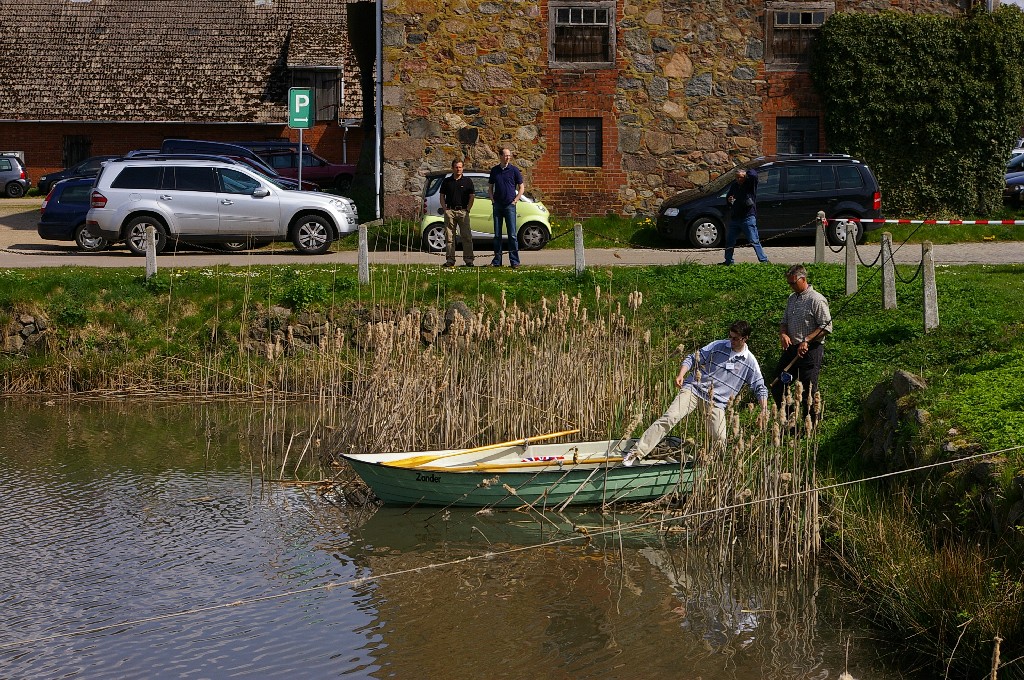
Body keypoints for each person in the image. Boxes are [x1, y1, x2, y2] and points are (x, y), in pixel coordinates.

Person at [623, 320, 769, 466]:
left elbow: (760, 387)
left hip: (716, 402)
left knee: (720, 438)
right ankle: (636, 453)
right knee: (670, 417)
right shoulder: (718, 345)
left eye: (735, 338)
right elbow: (692, 358)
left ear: (745, 338)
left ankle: (712, 466)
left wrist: (764, 409)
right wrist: (681, 374)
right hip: (694, 388)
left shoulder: (750, 361)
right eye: (730, 336)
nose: (731, 340)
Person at [771, 265, 833, 417]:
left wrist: (807, 340)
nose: (791, 286)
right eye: (789, 284)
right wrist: (783, 334)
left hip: (811, 350)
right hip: (792, 350)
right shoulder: (792, 298)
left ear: (803, 279)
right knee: (777, 385)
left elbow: (826, 326)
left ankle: (810, 427)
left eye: (793, 283)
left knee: (808, 392)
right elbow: (784, 321)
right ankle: (790, 419)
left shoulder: (816, 300)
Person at [721, 168, 770, 265]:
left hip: (748, 217)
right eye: (737, 177)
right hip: (735, 218)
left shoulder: (750, 184)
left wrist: (746, 172)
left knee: (754, 240)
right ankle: (728, 261)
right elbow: (729, 198)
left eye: (741, 177)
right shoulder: (734, 186)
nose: (739, 179)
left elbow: (754, 175)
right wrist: (729, 200)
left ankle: (764, 261)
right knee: (730, 240)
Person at [487, 148, 524, 269]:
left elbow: (521, 187)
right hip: (498, 205)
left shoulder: (514, 170)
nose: (508, 157)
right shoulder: (495, 171)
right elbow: (490, 187)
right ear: (500, 156)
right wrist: (492, 200)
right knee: (497, 235)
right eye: (506, 155)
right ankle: (497, 261)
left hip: (510, 205)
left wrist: (516, 200)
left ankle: (514, 261)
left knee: (512, 235)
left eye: (509, 155)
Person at [439, 159, 476, 268]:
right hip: (450, 211)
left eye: (460, 167)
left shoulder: (467, 181)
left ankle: (469, 260)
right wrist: (445, 209)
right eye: (456, 167)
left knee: (467, 237)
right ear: (452, 168)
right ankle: (450, 260)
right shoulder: (447, 181)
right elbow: (442, 196)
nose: (458, 169)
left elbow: (472, 196)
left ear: (462, 168)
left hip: (463, 211)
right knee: (450, 237)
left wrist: (468, 209)